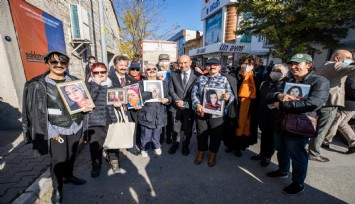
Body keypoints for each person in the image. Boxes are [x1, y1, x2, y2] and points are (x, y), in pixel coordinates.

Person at [22, 50, 92, 204]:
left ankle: (69, 176)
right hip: (56, 128)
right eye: (54, 62)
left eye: (63, 62)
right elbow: (37, 113)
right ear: (47, 63)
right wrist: (51, 131)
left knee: (72, 154)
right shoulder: (39, 85)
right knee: (59, 159)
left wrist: (86, 107)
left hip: (75, 125)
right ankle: (57, 188)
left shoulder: (74, 80)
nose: (59, 65)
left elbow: (82, 101)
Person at [266, 53, 329, 195]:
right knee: (281, 149)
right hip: (280, 122)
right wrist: (278, 96)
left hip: (300, 125)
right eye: (291, 64)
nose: (293, 67)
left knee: (297, 155)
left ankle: (298, 183)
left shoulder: (319, 81)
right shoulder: (286, 80)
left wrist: (281, 105)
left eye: (297, 64)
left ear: (309, 65)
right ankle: (282, 170)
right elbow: (269, 95)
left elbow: (313, 103)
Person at [308, 49, 355, 162]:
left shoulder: (324, 65)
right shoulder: (335, 66)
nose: (351, 60)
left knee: (317, 128)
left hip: (321, 101)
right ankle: (314, 153)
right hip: (329, 104)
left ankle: (312, 150)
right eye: (348, 58)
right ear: (337, 58)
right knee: (322, 130)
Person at [191, 57, 235, 167]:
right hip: (201, 112)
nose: (212, 67)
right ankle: (201, 152)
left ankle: (213, 154)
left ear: (219, 67)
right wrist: (197, 104)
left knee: (216, 135)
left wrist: (227, 97)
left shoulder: (225, 80)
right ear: (206, 67)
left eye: (215, 65)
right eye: (210, 65)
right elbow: (194, 93)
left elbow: (231, 95)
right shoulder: (200, 78)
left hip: (217, 114)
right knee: (201, 134)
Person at [85, 62, 122, 176]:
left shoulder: (113, 84)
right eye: (96, 72)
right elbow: (88, 100)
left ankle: (114, 161)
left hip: (111, 118)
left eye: (103, 72)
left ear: (107, 72)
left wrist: (119, 103)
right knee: (96, 146)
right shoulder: (89, 85)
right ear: (92, 73)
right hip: (95, 120)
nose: (100, 74)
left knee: (113, 143)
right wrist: (97, 84)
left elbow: (120, 98)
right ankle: (96, 165)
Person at [250, 64, 289, 167]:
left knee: (271, 138)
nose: (275, 72)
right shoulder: (265, 83)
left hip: (276, 117)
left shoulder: (286, 85)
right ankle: (262, 153)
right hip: (263, 114)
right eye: (274, 70)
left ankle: (267, 157)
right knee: (264, 136)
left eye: (279, 71)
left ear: (284, 74)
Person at [168, 55, 200, 155]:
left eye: (185, 62)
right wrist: (178, 101)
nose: (183, 65)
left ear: (190, 63)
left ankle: (185, 145)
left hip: (189, 107)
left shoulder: (197, 75)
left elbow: (197, 93)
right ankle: (175, 144)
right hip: (176, 106)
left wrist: (185, 103)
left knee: (188, 128)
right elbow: (171, 90)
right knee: (175, 128)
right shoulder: (173, 74)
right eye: (180, 63)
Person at [138, 63, 172, 157]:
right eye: (149, 69)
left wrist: (167, 100)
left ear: (157, 71)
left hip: (159, 113)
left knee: (157, 132)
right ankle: (144, 148)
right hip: (146, 113)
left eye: (154, 69)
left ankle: (156, 146)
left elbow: (169, 96)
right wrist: (150, 95)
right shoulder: (140, 83)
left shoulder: (163, 83)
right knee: (146, 133)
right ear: (145, 72)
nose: (152, 70)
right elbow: (137, 97)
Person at [233, 54, 264, 157]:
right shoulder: (235, 73)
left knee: (247, 125)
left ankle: (242, 145)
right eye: (244, 63)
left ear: (253, 65)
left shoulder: (257, 76)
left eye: (249, 63)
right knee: (235, 125)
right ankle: (234, 146)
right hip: (237, 104)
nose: (246, 65)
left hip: (251, 105)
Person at [109, 55, 140, 154]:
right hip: (115, 110)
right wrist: (113, 102)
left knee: (131, 127)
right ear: (115, 66)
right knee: (115, 130)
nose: (123, 67)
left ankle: (132, 146)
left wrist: (138, 103)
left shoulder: (132, 80)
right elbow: (106, 94)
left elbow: (137, 94)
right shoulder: (109, 79)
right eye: (121, 65)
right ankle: (113, 151)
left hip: (130, 109)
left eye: (125, 65)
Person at [323, 74, 355, 154]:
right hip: (351, 107)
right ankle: (353, 143)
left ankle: (326, 141)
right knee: (342, 124)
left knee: (334, 123)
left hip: (346, 106)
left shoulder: (350, 78)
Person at [157, 53, 173, 144]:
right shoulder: (155, 72)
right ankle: (161, 136)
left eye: (166, 61)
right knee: (160, 119)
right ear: (158, 62)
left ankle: (169, 136)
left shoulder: (172, 73)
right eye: (162, 61)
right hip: (159, 100)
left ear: (169, 62)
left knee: (170, 119)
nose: (164, 62)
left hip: (170, 99)